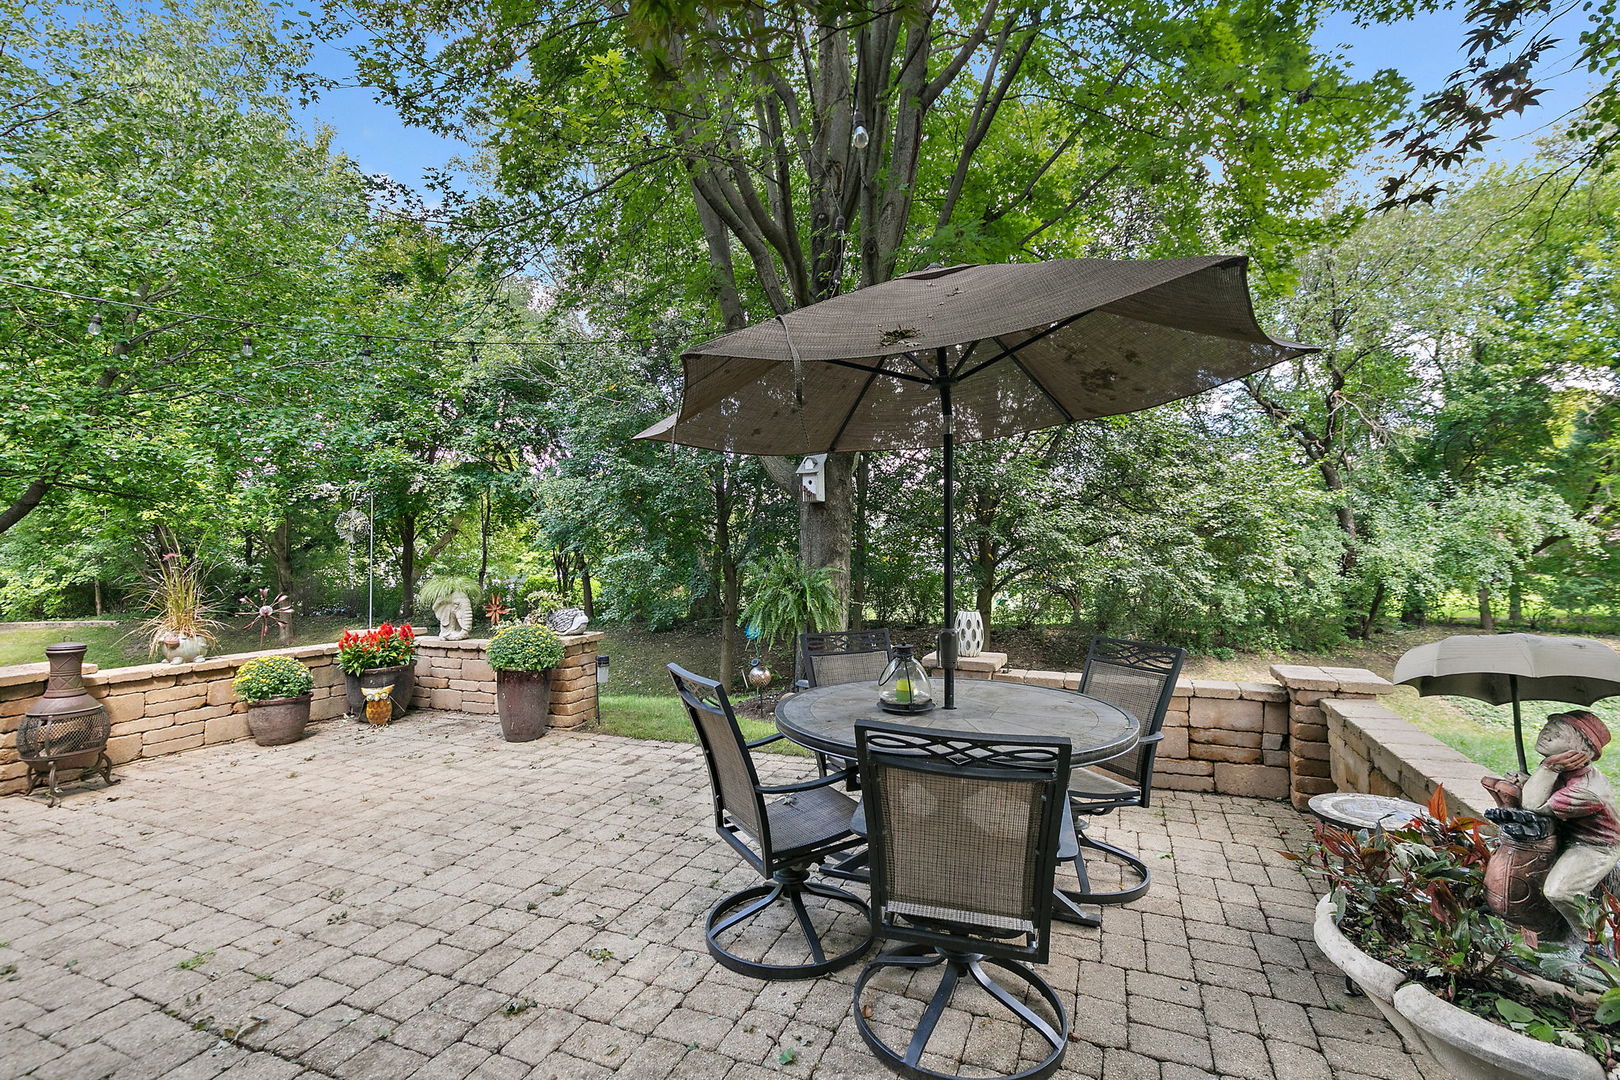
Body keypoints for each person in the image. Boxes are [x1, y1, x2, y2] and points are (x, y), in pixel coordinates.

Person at [1513, 711, 1620, 941]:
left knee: (1560, 891)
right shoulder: (1566, 771)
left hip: (1594, 846)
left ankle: (1600, 938)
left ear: (1579, 752)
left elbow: (1533, 804)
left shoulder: (1586, 790)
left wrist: (1546, 770)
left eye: (1557, 733)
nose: (1545, 734)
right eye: (1547, 727)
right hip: (1566, 835)